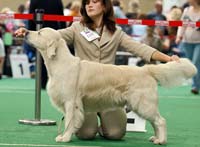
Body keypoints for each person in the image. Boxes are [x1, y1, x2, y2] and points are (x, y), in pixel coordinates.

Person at [15, 0, 179, 140]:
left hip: (109, 90)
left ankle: (116, 125)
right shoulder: (76, 28)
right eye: (87, 3)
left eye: (94, 1)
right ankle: (79, 121)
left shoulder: (116, 32)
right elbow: (55, 36)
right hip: (85, 94)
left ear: (104, 6)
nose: (89, 5)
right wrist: (28, 33)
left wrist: (168, 58)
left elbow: (140, 48)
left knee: (116, 133)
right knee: (85, 134)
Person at [28, 0, 66, 89]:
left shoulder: (34, 1)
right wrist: (62, 34)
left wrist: (31, 34)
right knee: (56, 59)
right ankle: (55, 82)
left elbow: (30, 19)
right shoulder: (57, 1)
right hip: (54, 33)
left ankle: (43, 82)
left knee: (41, 59)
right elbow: (62, 19)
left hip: (40, 33)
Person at [176, 0, 200, 95]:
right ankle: (197, 83)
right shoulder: (186, 10)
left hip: (199, 42)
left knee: (196, 63)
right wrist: (179, 36)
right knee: (191, 63)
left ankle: (195, 86)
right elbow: (182, 25)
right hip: (187, 42)